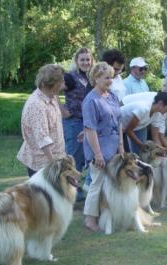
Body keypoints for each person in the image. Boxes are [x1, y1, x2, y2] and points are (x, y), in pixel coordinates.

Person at [82, 62, 123, 232]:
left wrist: (121, 145)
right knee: (97, 183)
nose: (110, 81)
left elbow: (119, 122)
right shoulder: (91, 101)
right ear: (96, 78)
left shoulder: (112, 96)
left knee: (110, 183)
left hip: (113, 147)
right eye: (106, 77)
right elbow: (90, 129)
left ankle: (107, 214)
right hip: (98, 148)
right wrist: (97, 154)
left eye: (111, 77)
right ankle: (90, 220)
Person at [17, 64, 66, 177]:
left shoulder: (51, 96)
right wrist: (53, 164)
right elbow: (42, 138)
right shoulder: (37, 104)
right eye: (61, 81)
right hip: (43, 163)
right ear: (52, 84)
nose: (63, 84)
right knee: (43, 195)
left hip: (56, 157)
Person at [61, 47, 94, 201]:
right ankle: (69, 194)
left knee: (85, 157)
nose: (86, 62)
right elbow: (49, 88)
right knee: (74, 158)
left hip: (88, 123)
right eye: (82, 59)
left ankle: (77, 191)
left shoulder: (92, 76)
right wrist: (61, 108)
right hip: (74, 122)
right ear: (76, 61)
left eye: (88, 59)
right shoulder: (70, 77)